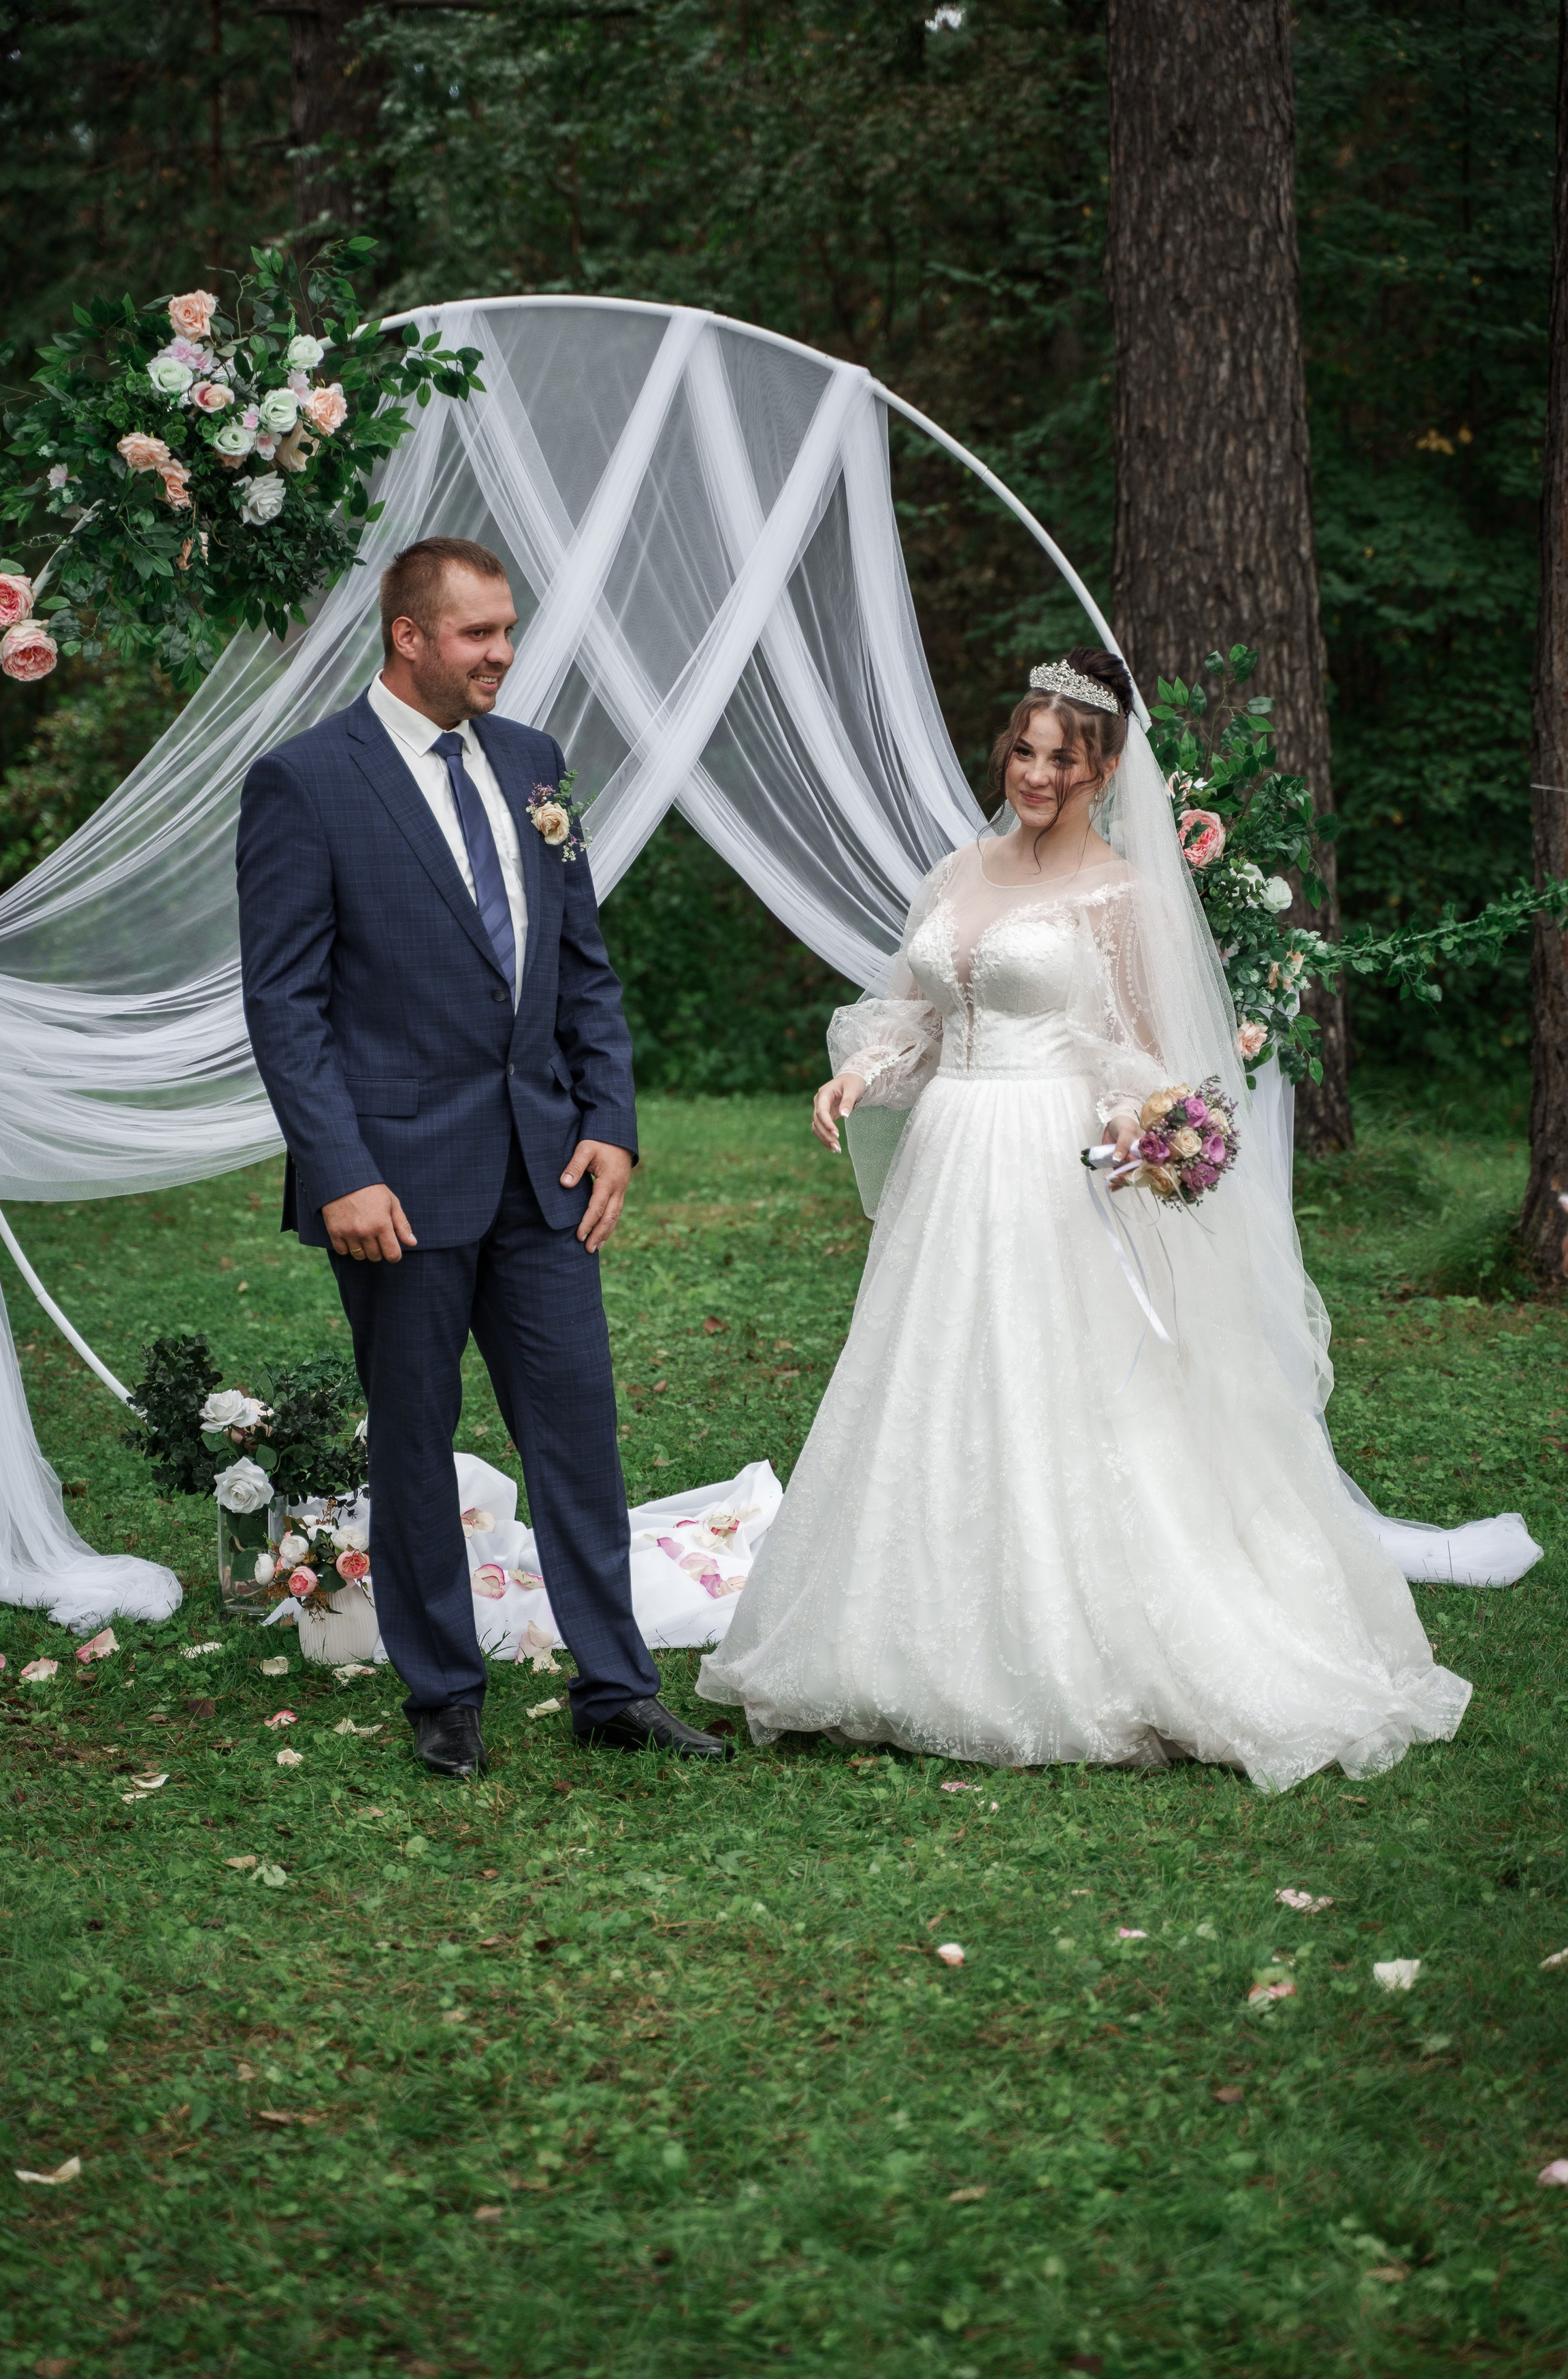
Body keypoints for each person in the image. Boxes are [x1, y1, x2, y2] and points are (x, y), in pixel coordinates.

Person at [698, 650, 1473, 1794]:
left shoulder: (1121, 896)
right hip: (950, 1156)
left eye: (1065, 755)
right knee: (930, 1380)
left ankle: (1089, 1636)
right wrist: (857, 1074)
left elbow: (1145, 1055)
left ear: (1105, 769)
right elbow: (920, 1014)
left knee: (1061, 1387)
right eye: (1025, 747)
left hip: (1051, 1161)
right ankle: (899, 1628)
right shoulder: (962, 868)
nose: (1038, 771)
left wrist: (1145, 1135)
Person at [236, 536, 727, 1778]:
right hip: (393, 1185)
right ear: (410, 636)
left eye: (507, 630)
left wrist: (609, 1121)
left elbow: (580, 968)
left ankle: (617, 1685)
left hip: (544, 1172)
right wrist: (340, 1167)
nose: (505, 653)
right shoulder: (306, 782)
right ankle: (443, 1693)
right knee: (412, 1434)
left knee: (581, 1431)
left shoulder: (532, 763)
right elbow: (285, 1005)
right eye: (479, 634)